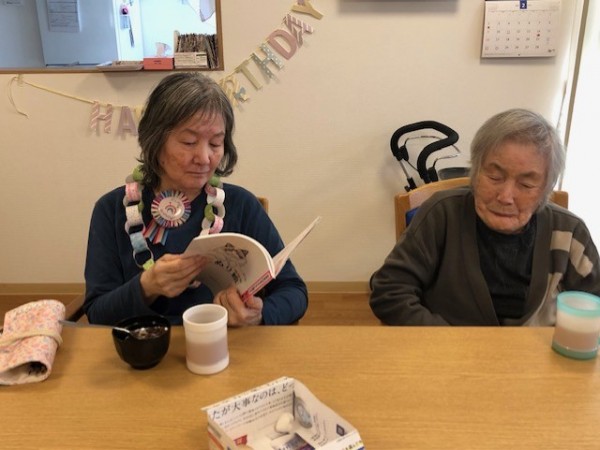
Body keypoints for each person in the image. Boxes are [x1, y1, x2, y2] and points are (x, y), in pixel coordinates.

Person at [83, 73, 308, 326]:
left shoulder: (241, 205)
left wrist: (259, 315)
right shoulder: (112, 210)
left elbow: (294, 290)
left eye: (216, 143)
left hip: (225, 345)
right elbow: (97, 312)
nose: (204, 158)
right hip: (145, 346)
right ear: (155, 141)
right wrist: (146, 286)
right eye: (189, 142)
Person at [370, 108, 600, 326]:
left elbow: (595, 304)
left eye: (526, 184)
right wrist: (449, 342)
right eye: (494, 176)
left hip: (539, 353)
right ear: (475, 171)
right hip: (447, 350)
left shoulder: (570, 232)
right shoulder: (442, 214)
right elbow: (389, 292)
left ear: (546, 190)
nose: (505, 197)